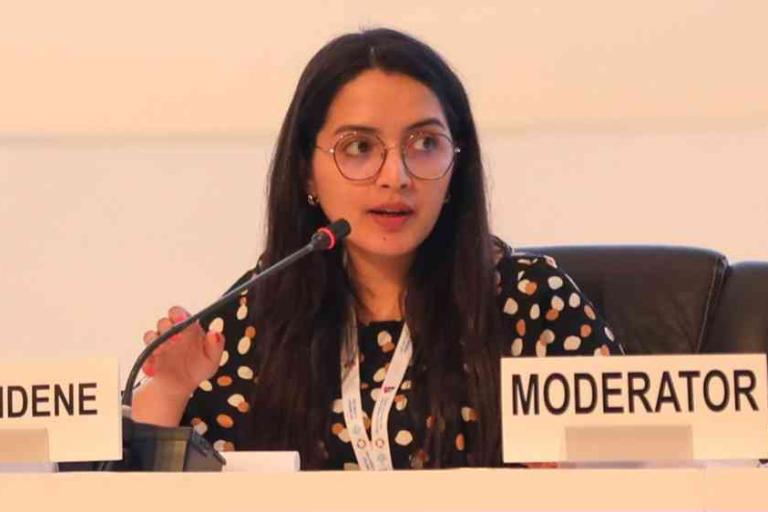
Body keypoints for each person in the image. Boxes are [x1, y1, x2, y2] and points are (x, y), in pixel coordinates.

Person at [132, 28, 624, 470]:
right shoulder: (259, 315)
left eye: (425, 143)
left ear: (457, 163)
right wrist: (171, 389)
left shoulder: (531, 302)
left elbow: (641, 464)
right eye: (360, 148)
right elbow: (138, 489)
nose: (396, 177)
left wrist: (582, 473)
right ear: (307, 171)